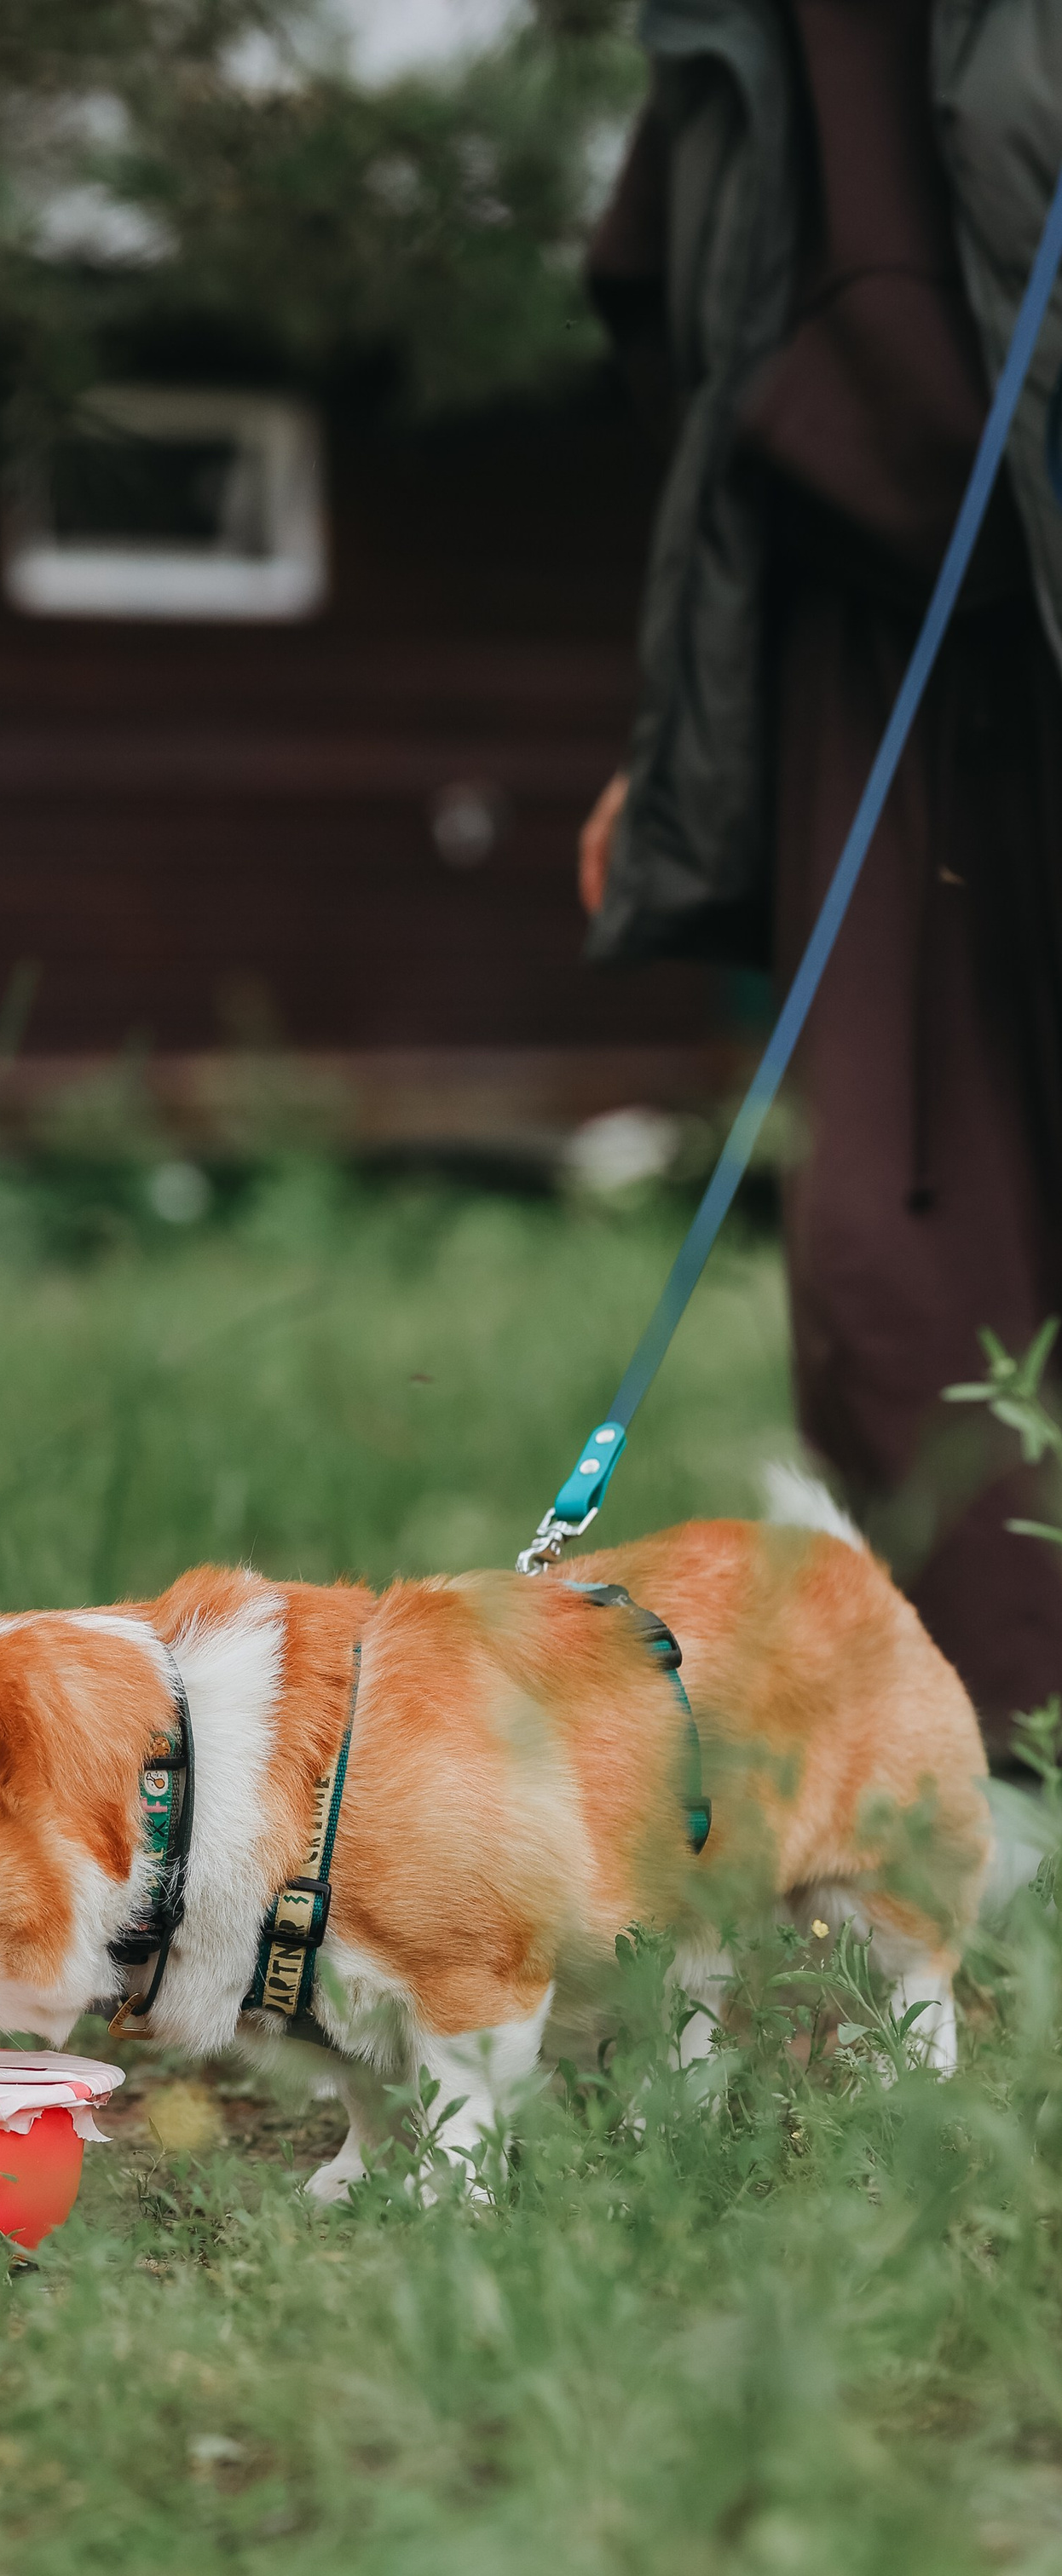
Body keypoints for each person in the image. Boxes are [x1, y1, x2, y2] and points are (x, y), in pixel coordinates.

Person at [578, 0, 1062, 1758]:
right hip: (859, 655)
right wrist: (680, 734)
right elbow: (689, 349)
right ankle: (999, 1781)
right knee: (888, 1246)